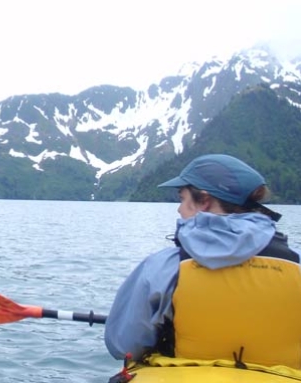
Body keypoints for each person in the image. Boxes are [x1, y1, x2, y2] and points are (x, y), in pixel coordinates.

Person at [104, 154, 301, 368]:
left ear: (204, 201)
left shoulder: (164, 266)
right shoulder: (295, 266)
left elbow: (123, 346)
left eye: (182, 199)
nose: (179, 209)